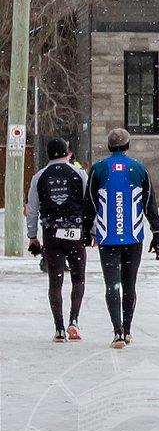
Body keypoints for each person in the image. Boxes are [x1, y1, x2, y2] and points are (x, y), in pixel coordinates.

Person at [88, 128, 159, 349]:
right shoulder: (139, 168)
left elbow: (89, 203)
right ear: (128, 146)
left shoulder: (99, 169)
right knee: (129, 285)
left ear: (109, 146)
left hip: (107, 236)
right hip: (133, 236)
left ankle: (117, 331)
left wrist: (86, 230)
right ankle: (127, 329)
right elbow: (149, 203)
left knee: (112, 285)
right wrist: (156, 232)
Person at [26, 137, 94, 341]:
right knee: (78, 278)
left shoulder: (39, 177)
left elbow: (32, 209)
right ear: (67, 153)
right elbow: (89, 203)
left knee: (55, 282)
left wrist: (32, 236)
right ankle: (74, 320)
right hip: (75, 231)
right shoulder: (79, 174)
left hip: (51, 233)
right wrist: (91, 230)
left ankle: (59, 328)